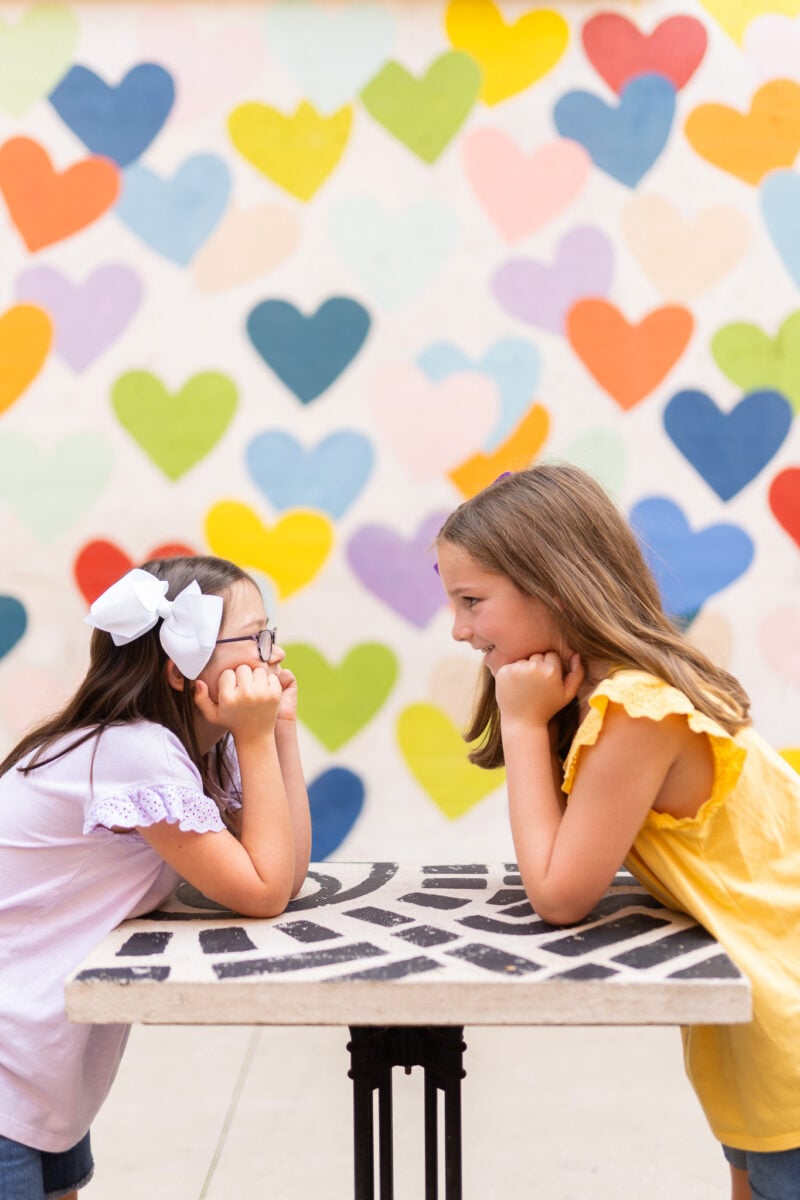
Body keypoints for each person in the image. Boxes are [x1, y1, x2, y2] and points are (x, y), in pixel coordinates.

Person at [436, 462, 800, 1200]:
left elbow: (560, 892)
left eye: (473, 601)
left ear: (555, 585)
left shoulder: (637, 710)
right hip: (758, 1011)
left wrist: (522, 720)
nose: (459, 629)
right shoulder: (629, 693)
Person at [0, 555, 311, 1200]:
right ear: (179, 669)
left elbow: (286, 872)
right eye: (255, 639)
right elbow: (264, 893)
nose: (273, 654)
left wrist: (278, 731)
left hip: (37, 1060)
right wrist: (256, 740)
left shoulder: (190, 750)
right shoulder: (133, 751)